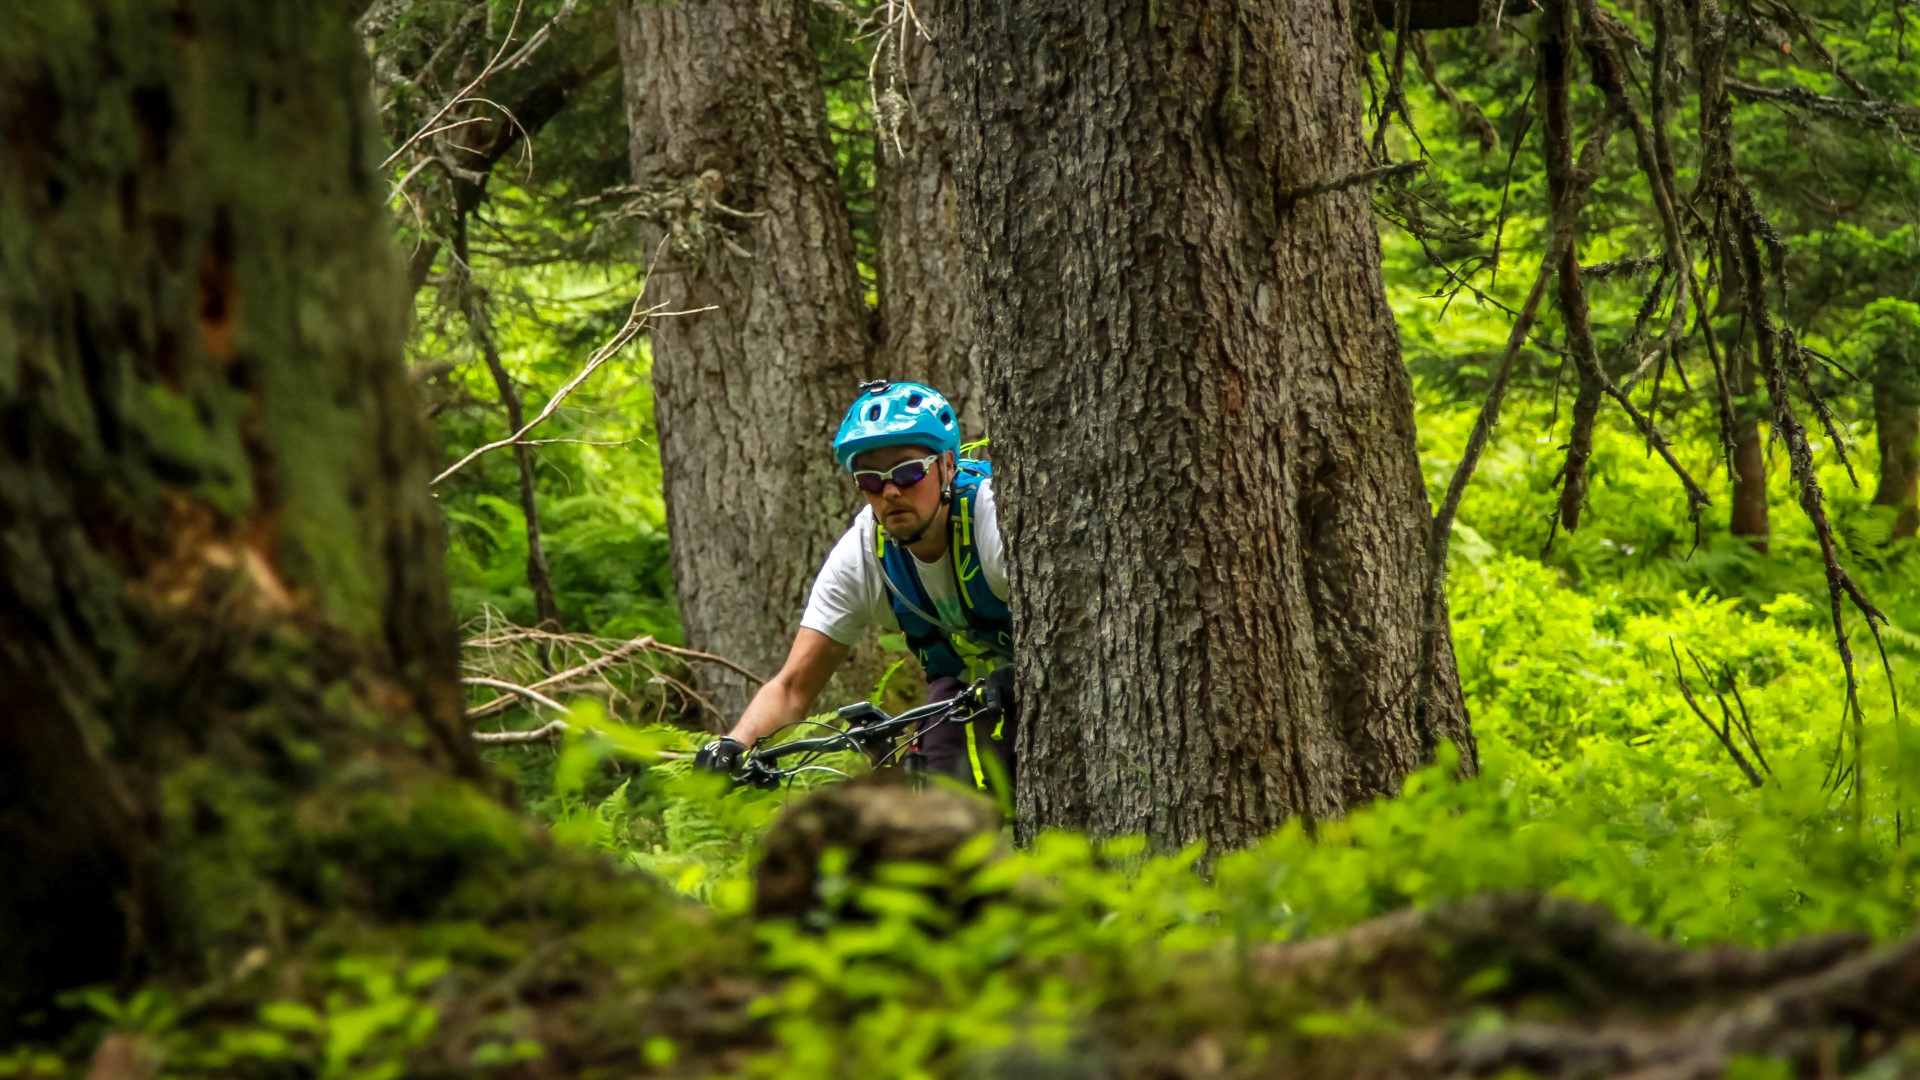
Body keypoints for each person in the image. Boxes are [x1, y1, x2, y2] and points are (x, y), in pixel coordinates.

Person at [693, 379, 1017, 791]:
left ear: (948, 465)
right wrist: (733, 744)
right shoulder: (865, 553)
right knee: (940, 816)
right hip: (960, 692)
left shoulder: (993, 519)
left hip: (1049, 677)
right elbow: (792, 687)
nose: (891, 491)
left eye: (908, 471)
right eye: (870, 480)